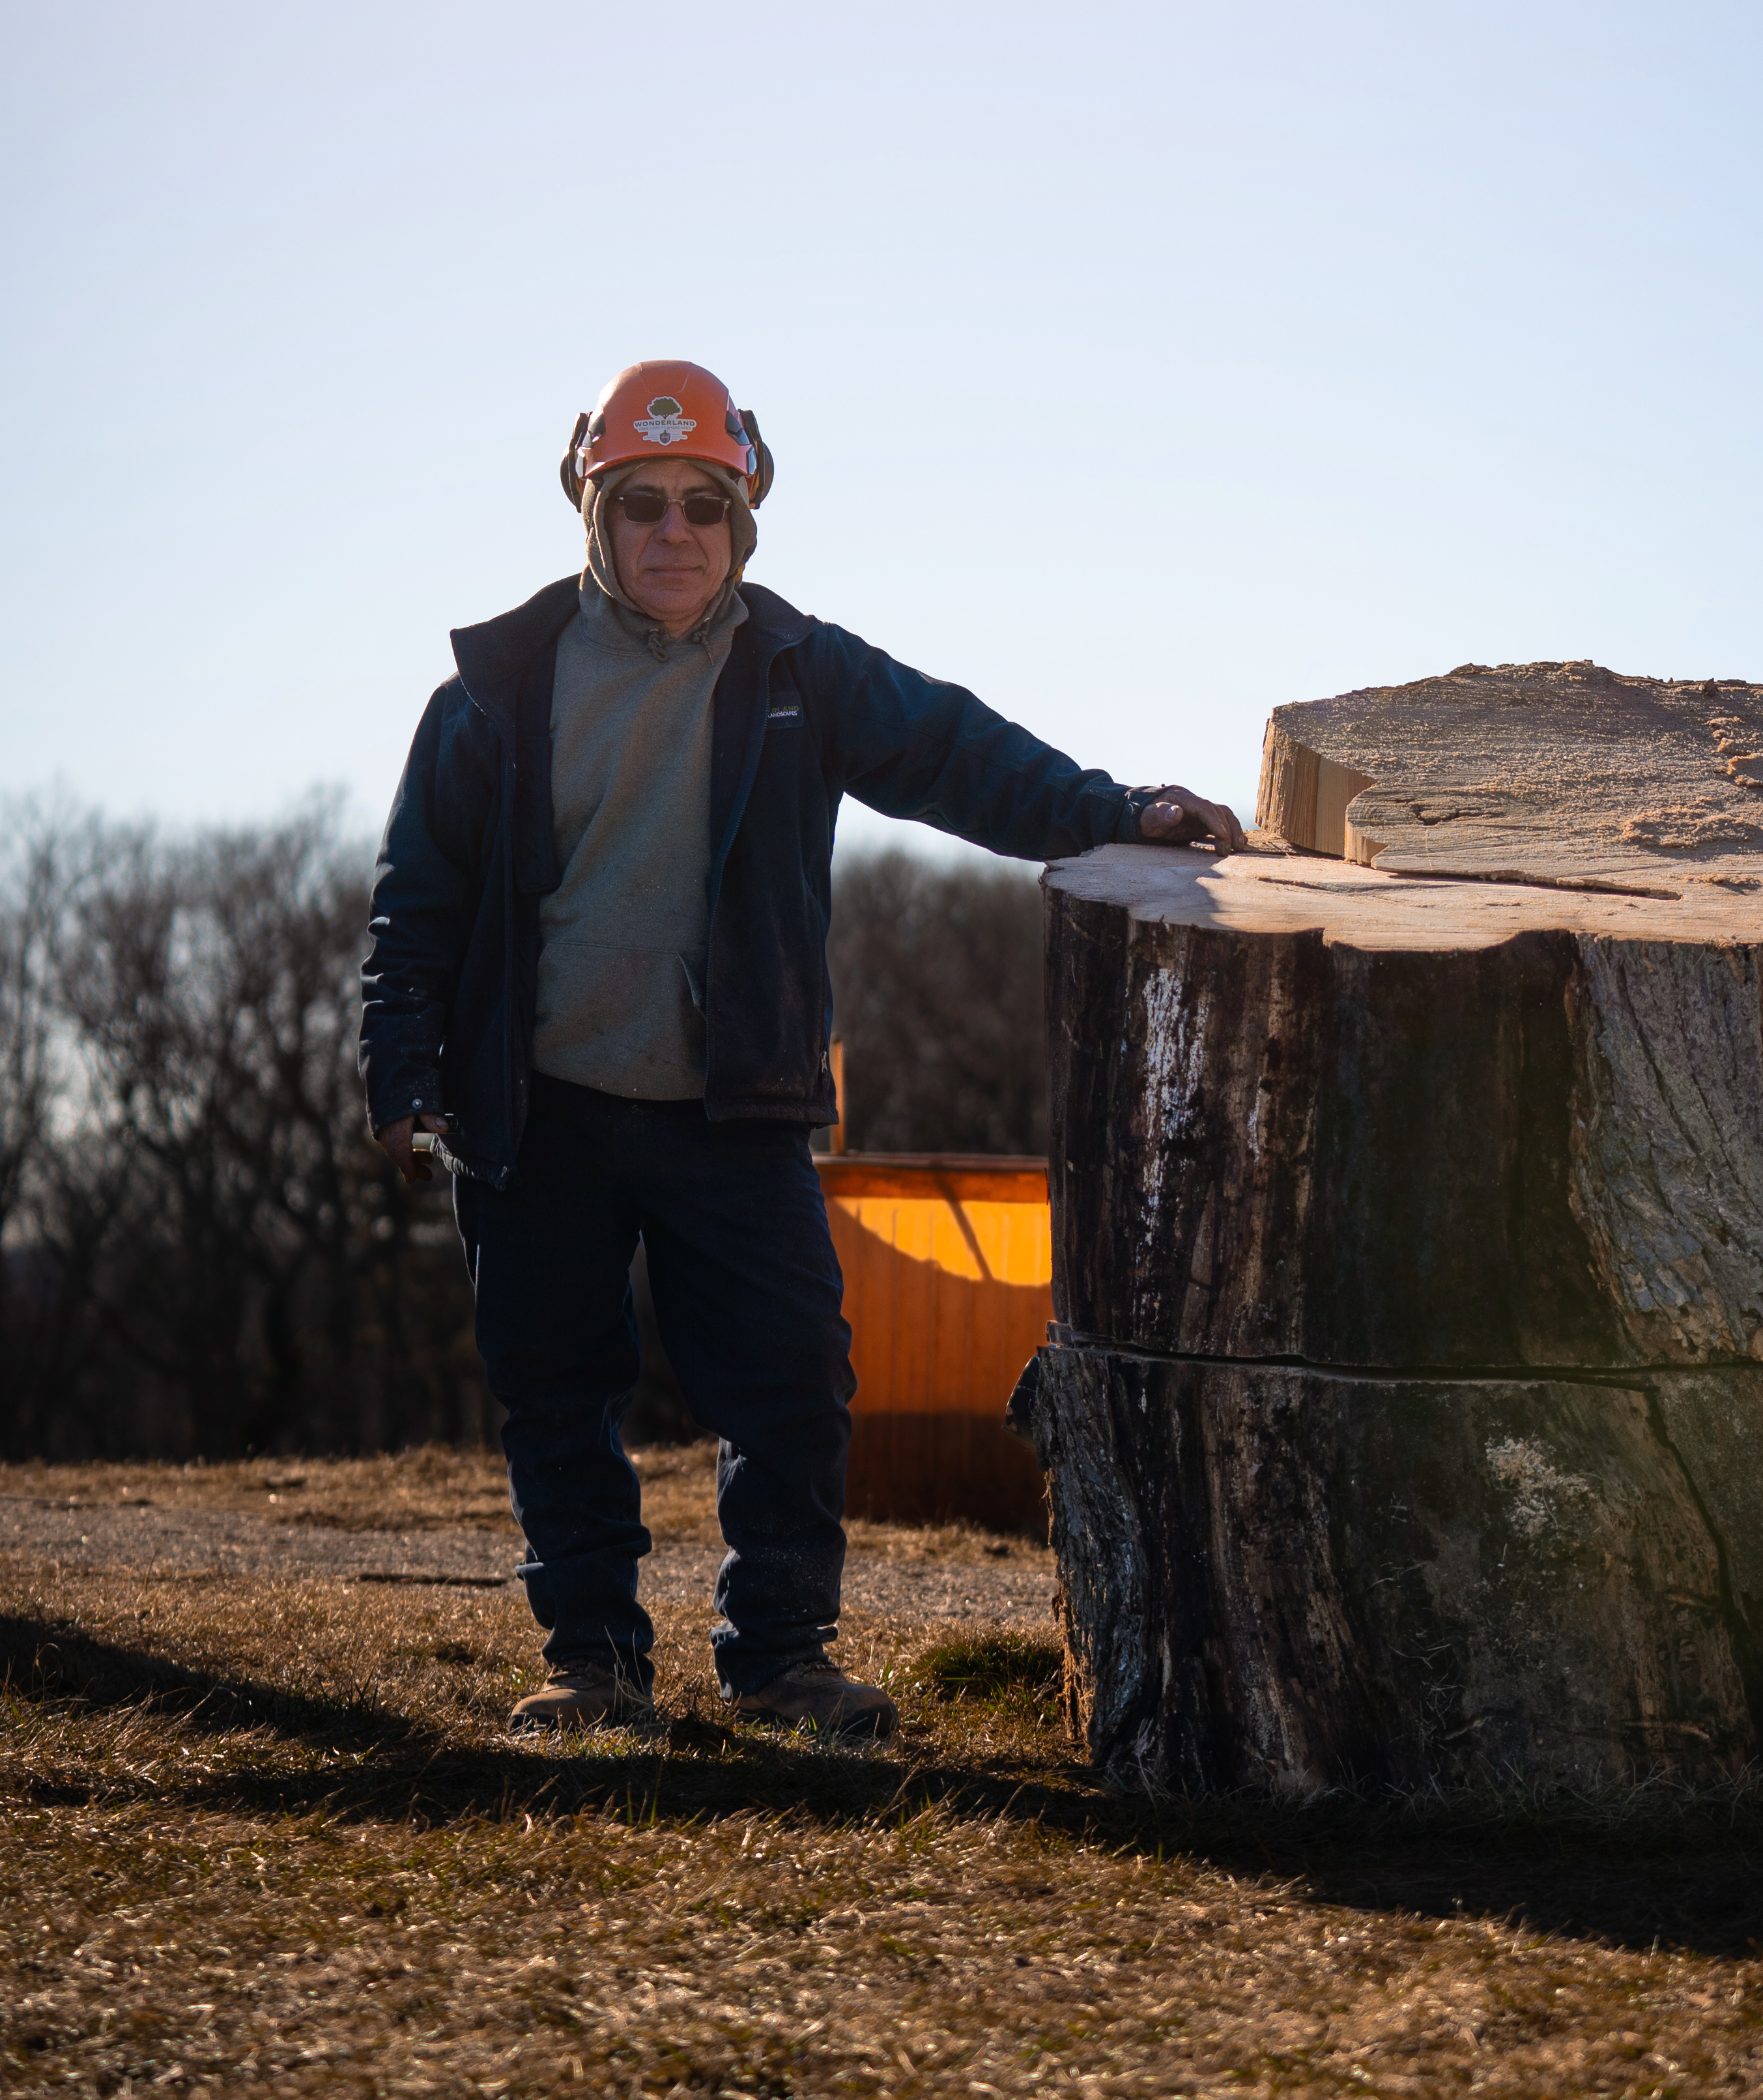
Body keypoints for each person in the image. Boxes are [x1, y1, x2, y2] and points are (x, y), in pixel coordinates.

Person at [358, 362, 1243, 1744]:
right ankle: (591, 1668)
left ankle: (778, 1659)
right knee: (557, 1394)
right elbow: (412, 902)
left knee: (794, 1385)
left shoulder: (797, 670)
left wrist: (1114, 807)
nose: (672, 531)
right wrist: (401, 1076)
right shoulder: (493, 690)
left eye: (702, 505)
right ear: (591, 512)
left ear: (742, 519)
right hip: (537, 1114)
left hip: (735, 1106)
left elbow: (960, 756)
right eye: (639, 502)